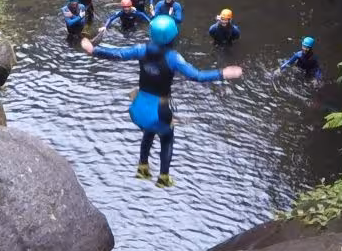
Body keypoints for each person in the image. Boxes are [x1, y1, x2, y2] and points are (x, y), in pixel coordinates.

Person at [82, 14, 241, 187]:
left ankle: (142, 168)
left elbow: (118, 54)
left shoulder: (141, 49)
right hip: (159, 110)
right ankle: (163, 178)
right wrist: (222, 73)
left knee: (149, 131)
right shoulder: (173, 58)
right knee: (167, 138)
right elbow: (197, 76)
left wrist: (94, 50)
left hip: (138, 109)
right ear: (173, 36)